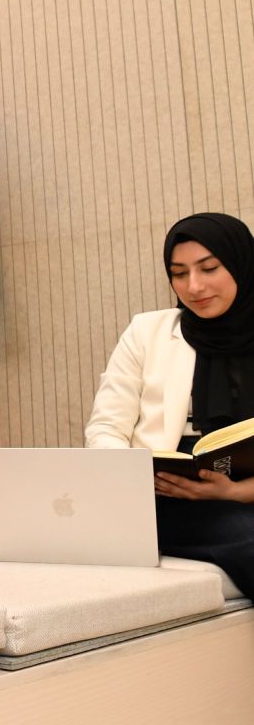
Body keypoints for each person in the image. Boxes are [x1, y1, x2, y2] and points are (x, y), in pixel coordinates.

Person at [86, 212, 254, 598]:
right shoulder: (148, 331)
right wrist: (130, 480)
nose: (194, 286)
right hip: (164, 495)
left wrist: (234, 493)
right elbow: (106, 428)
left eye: (209, 268)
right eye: (179, 274)